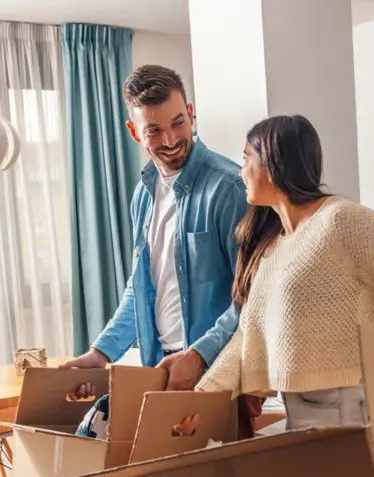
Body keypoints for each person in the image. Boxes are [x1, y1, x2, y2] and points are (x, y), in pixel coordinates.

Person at [196, 115, 374, 431]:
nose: (241, 171)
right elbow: (246, 339)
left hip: (352, 417)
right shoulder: (271, 248)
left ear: (273, 164)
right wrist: (200, 398)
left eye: (247, 159)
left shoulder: (343, 221)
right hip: (300, 419)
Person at [62, 65, 248, 434]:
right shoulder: (143, 195)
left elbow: (252, 293)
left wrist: (200, 355)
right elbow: (142, 287)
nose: (170, 139)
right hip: (159, 370)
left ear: (191, 114)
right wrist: (101, 353)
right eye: (154, 130)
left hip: (217, 374)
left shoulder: (229, 187)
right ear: (134, 132)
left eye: (178, 123)